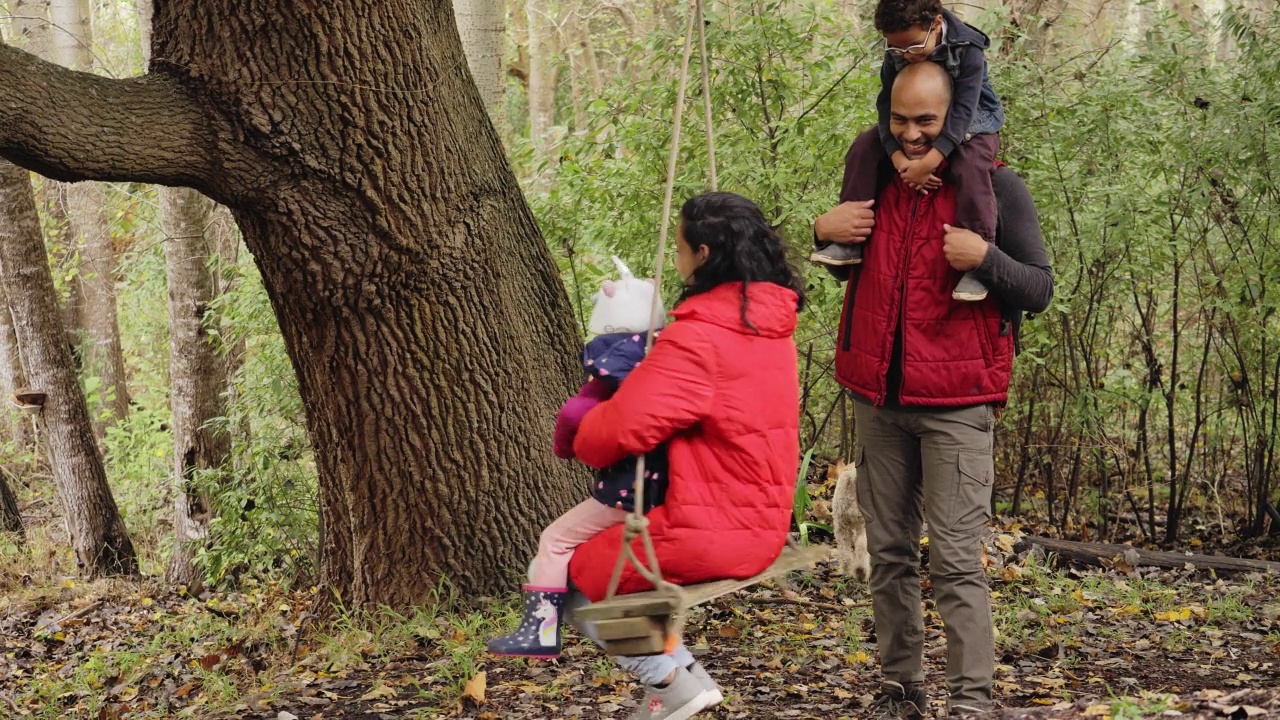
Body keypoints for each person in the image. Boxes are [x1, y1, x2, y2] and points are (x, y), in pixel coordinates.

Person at [813, 61, 1053, 718]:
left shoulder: (998, 187)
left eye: (927, 121)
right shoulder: (874, 180)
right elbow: (843, 272)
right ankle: (900, 690)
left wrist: (985, 259)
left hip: (958, 405)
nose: (912, 136)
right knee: (887, 552)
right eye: (900, 120)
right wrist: (821, 231)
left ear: (955, 120)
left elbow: (1038, 289)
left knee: (953, 560)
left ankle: (971, 706)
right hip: (879, 400)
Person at [567, 191, 806, 720]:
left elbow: (612, 436)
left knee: (575, 575)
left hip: (715, 529)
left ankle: (675, 688)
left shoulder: (699, 338)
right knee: (601, 564)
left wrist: (580, 420)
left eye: (678, 249)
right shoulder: (766, 322)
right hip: (757, 521)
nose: (675, 260)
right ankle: (686, 684)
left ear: (701, 254)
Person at [487, 258, 669, 658]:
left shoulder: (613, 363)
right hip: (667, 484)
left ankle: (542, 631)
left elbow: (572, 414)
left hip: (627, 490)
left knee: (554, 540)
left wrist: (565, 447)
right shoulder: (666, 355)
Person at [811, 0, 1004, 305]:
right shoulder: (898, 51)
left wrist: (930, 160)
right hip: (917, 116)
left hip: (974, 123)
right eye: (897, 50)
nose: (907, 56)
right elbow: (886, 107)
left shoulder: (968, 47)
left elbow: (964, 111)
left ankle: (976, 260)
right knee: (863, 146)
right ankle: (848, 240)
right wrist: (899, 160)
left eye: (914, 47)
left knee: (970, 166)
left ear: (937, 23)